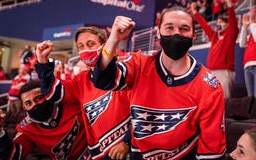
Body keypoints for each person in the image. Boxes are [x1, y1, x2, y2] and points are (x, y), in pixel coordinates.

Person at [92, 6, 226, 159]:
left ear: (194, 35)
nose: (176, 33)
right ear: (158, 32)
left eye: (184, 28)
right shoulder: (139, 64)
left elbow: (212, 151)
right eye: (169, 27)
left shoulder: (209, 87)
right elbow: (102, 80)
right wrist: (113, 39)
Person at [35, 26, 130, 160]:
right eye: (81, 46)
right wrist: (42, 61)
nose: (85, 49)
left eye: (90, 44)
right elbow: (53, 93)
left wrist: (127, 141)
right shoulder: (81, 80)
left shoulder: (123, 71)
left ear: (104, 46)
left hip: (127, 150)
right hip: (99, 153)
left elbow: (145, 109)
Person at [0, 80, 90, 160]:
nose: (35, 105)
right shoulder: (27, 128)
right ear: (24, 107)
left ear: (47, 95)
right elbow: (14, 156)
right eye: (28, 103)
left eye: (38, 98)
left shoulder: (69, 101)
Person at [190, 0, 239, 99]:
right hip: (212, 71)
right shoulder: (214, 36)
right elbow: (205, 26)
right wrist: (195, 13)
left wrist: (229, 6)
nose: (218, 24)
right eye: (217, 22)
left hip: (224, 70)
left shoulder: (230, 34)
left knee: (223, 99)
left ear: (227, 24)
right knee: (211, 99)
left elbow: (233, 21)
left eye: (220, 22)